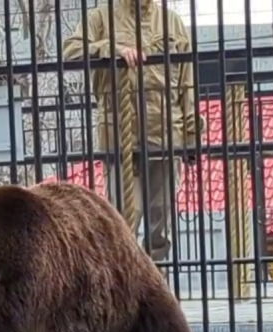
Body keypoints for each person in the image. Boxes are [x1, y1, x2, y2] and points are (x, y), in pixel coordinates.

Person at [63, 0, 202, 263]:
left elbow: (187, 84)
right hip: (121, 139)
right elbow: (71, 49)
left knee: (160, 222)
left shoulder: (172, 22)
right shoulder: (101, 18)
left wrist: (192, 135)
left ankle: (155, 284)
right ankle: (125, 287)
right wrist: (110, 49)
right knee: (125, 218)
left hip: (165, 135)